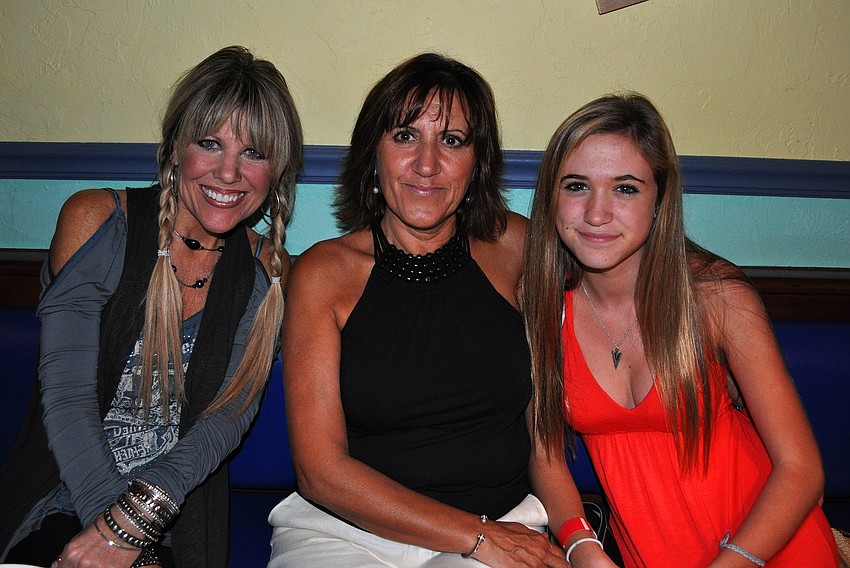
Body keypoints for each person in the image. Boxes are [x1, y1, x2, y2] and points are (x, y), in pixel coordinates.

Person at [268, 53, 594, 568]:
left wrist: (580, 542)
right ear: (372, 154)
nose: (426, 163)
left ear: (477, 161)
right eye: (404, 136)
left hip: (502, 525)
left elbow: (627, 268)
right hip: (343, 535)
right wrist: (477, 536)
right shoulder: (323, 274)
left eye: (452, 140)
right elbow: (321, 471)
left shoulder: (518, 249)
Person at [0, 45, 303, 568]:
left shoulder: (269, 269)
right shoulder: (98, 221)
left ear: (276, 171)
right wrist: (114, 537)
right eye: (210, 143)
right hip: (58, 502)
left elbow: (226, 421)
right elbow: (67, 398)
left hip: (177, 516)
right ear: (175, 147)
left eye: (253, 152)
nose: (229, 173)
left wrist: (132, 528)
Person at [522, 92, 839, 567]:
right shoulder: (540, 305)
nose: (596, 213)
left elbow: (801, 470)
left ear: (660, 200)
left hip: (765, 549)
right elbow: (543, 453)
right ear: (551, 196)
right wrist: (582, 546)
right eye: (576, 186)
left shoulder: (716, 296)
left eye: (625, 188)